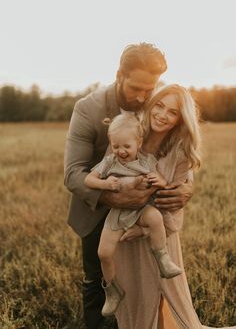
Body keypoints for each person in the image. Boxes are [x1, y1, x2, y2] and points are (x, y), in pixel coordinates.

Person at [64, 43, 194, 329]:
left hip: (145, 210)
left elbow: (173, 146)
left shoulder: (153, 100)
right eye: (136, 88)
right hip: (96, 209)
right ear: (119, 74)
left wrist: (186, 187)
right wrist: (116, 197)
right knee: (97, 279)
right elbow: (73, 173)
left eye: (150, 88)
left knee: (143, 283)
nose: (143, 96)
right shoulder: (88, 108)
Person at [114, 84, 234, 329]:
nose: (162, 114)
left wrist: (145, 229)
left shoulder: (180, 153)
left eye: (172, 112)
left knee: (161, 296)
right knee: (134, 300)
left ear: (181, 119)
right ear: (150, 104)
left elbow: (174, 212)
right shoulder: (131, 136)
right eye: (159, 105)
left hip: (160, 237)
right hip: (124, 233)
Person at [85, 114, 182, 316]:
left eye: (126, 146)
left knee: (154, 217)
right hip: (118, 213)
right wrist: (104, 184)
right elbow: (88, 179)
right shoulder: (109, 162)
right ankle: (112, 290)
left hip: (140, 210)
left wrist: (161, 180)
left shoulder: (147, 161)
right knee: (103, 253)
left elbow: (162, 184)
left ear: (139, 143)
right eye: (116, 146)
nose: (120, 151)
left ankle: (163, 259)